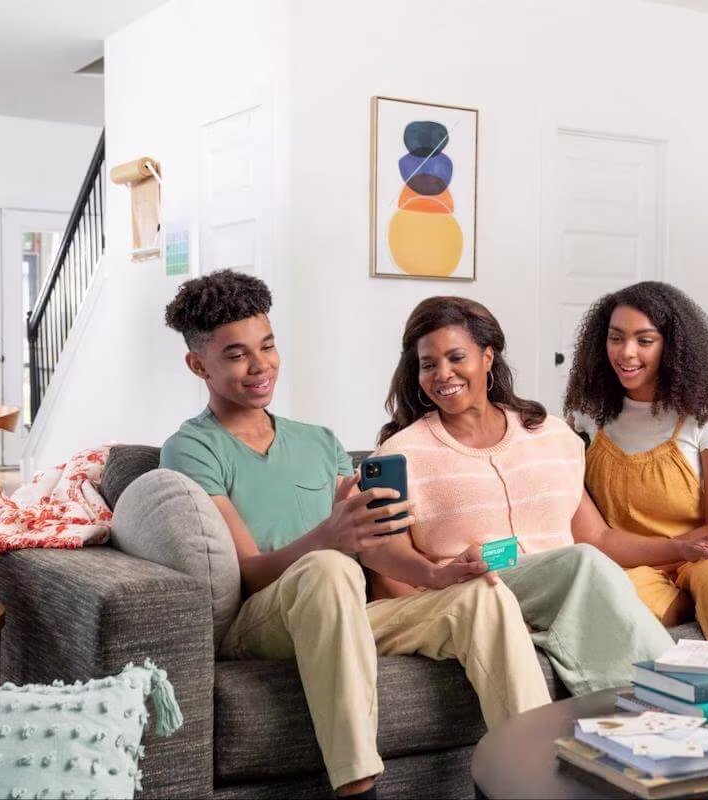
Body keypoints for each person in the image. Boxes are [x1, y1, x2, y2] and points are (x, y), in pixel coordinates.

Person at [159, 271, 549, 800]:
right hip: (264, 621)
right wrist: (327, 536)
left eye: (268, 346)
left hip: (349, 613)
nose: (260, 366)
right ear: (197, 364)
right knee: (330, 566)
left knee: (481, 595)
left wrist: (435, 573)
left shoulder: (319, 441)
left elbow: (370, 541)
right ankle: (358, 787)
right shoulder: (192, 448)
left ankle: (527, 780)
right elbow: (247, 571)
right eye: (236, 354)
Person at [361, 296, 684, 697]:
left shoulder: (550, 435)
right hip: (474, 590)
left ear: (487, 357)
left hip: (563, 585)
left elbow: (596, 538)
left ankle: (648, 708)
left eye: (456, 357)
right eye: (428, 364)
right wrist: (447, 618)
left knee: (588, 562)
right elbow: (387, 574)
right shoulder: (401, 455)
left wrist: (681, 547)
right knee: (582, 564)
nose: (443, 374)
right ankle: (676, 695)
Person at [563, 280, 708, 655]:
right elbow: (595, 536)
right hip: (633, 561)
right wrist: (670, 553)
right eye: (616, 338)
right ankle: (685, 607)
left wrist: (689, 554)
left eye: (644, 340)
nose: (626, 353)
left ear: (673, 347)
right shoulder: (588, 412)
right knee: (605, 605)